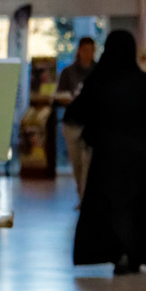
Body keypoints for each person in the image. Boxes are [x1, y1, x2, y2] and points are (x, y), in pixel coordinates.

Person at [67, 31, 146, 275]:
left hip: (108, 157)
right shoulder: (145, 83)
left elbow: (77, 113)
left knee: (112, 208)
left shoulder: (98, 81)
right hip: (145, 159)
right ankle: (135, 255)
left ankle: (116, 253)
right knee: (139, 209)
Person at [56, 35, 98, 199]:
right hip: (73, 122)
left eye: (91, 50)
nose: (88, 53)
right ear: (79, 50)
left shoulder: (98, 71)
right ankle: (81, 192)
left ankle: (86, 198)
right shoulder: (68, 72)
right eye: (85, 50)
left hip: (92, 124)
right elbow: (60, 94)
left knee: (89, 162)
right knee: (77, 163)